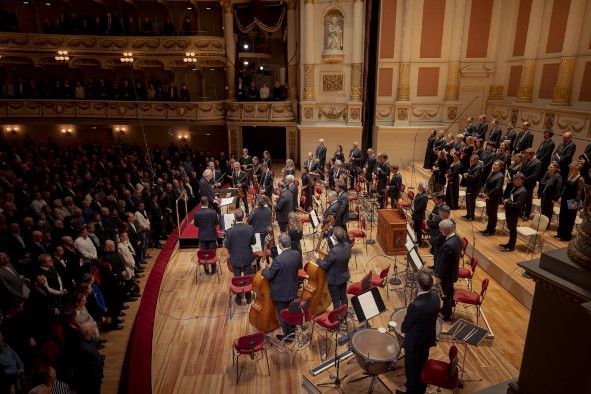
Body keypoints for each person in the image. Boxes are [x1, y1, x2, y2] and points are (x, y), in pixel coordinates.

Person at [397, 272, 441, 394]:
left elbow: (405, 327)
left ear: (418, 285)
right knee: (422, 366)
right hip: (427, 340)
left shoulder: (416, 305)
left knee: (411, 370)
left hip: (414, 343)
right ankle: (421, 389)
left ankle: (411, 390)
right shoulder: (436, 297)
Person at [261, 233, 301, 341]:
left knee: (282, 314)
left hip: (281, 293)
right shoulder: (297, 254)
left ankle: (288, 336)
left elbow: (269, 276)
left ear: (280, 245)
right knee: (291, 310)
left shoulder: (278, 260)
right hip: (292, 288)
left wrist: (263, 268)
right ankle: (292, 329)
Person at [224, 209, 255, 304]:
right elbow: (253, 242)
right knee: (248, 277)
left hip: (235, 258)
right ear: (243, 217)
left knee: (237, 278)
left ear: (234, 217)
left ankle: (238, 299)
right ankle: (249, 298)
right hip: (247, 257)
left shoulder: (229, 231)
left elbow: (226, 245)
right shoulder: (250, 228)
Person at [315, 226, 351, 308]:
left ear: (335, 237)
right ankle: (344, 316)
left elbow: (325, 266)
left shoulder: (333, 252)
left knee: (336, 300)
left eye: (333, 234)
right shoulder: (347, 246)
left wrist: (317, 258)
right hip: (344, 276)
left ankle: (337, 318)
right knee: (344, 297)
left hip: (334, 280)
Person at [437, 219, 461, 322]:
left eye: (441, 229)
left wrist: (439, 276)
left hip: (446, 275)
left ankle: (446, 315)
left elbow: (444, 264)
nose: (440, 231)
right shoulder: (456, 238)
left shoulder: (448, 245)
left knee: (446, 295)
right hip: (452, 273)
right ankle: (444, 310)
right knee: (449, 292)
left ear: (446, 230)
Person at [72, 322, 104, 394]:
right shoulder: (84, 348)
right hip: (91, 380)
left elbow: (95, 345)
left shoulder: (87, 340)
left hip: (96, 375)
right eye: (93, 329)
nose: (95, 329)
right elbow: (86, 369)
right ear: (89, 332)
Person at [556, 163, 585, 241]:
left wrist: (576, 202)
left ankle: (566, 236)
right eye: (570, 168)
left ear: (577, 169)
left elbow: (579, 192)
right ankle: (560, 233)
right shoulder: (570, 175)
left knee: (569, 218)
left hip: (572, 200)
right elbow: (565, 187)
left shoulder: (580, 179)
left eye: (572, 169)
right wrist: (561, 197)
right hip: (565, 198)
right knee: (562, 215)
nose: (570, 170)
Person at [500, 173, 527, 252]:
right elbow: (511, 198)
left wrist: (507, 203)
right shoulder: (515, 187)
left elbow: (518, 204)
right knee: (510, 229)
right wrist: (507, 200)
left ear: (520, 180)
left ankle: (511, 247)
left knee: (513, 229)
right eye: (514, 179)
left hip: (514, 213)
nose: (514, 181)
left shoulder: (522, 191)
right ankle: (509, 243)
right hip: (509, 211)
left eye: (515, 179)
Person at [194, 197, 219, 275]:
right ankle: (213, 270)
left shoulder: (197, 213)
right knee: (213, 253)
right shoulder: (213, 212)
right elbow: (216, 223)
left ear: (201, 203)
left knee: (204, 254)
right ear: (207, 202)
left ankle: (206, 270)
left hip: (202, 237)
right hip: (212, 236)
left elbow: (196, 225)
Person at [479, 160, 505, 236]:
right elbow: (486, 183)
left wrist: (487, 194)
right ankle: (488, 229)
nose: (493, 165)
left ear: (500, 167)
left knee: (492, 215)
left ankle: (491, 230)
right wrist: (483, 191)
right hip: (488, 196)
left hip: (494, 198)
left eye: (496, 164)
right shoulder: (492, 172)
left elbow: (497, 188)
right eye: (493, 164)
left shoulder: (500, 176)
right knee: (489, 213)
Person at [521, 148, 542, 220]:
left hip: (529, 184)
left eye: (526, 155)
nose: (525, 156)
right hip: (522, 182)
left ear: (532, 154)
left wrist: (523, 180)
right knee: (522, 198)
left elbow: (534, 175)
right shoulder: (525, 160)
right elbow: (522, 170)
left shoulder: (537, 163)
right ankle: (521, 211)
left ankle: (527, 214)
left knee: (528, 199)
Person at [462, 154, 482, 221]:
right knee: (468, 201)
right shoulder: (472, 166)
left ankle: (471, 216)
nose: (470, 161)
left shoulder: (478, 167)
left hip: (474, 187)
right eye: (470, 160)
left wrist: (467, 175)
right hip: (470, 186)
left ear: (476, 160)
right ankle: (468, 214)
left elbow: (474, 177)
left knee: (471, 202)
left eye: (472, 160)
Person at [411, 181, 428, 246]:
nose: (418, 186)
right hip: (416, 213)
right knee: (415, 227)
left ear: (422, 187)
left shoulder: (424, 196)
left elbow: (420, 207)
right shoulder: (419, 194)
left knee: (418, 229)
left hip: (419, 215)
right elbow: (415, 202)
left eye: (419, 185)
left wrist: (414, 211)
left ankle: (419, 242)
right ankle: (416, 239)